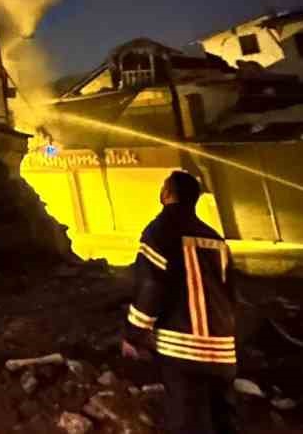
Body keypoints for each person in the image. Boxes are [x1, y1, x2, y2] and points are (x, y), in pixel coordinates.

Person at [121, 170, 238, 434]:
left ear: (166, 194)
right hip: (222, 351)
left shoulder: (159, 231)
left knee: (187, 423)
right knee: (223, 423)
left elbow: (151, 285)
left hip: (182, 350)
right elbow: (230, 294)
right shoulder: (215, 239)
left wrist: (134, 334)